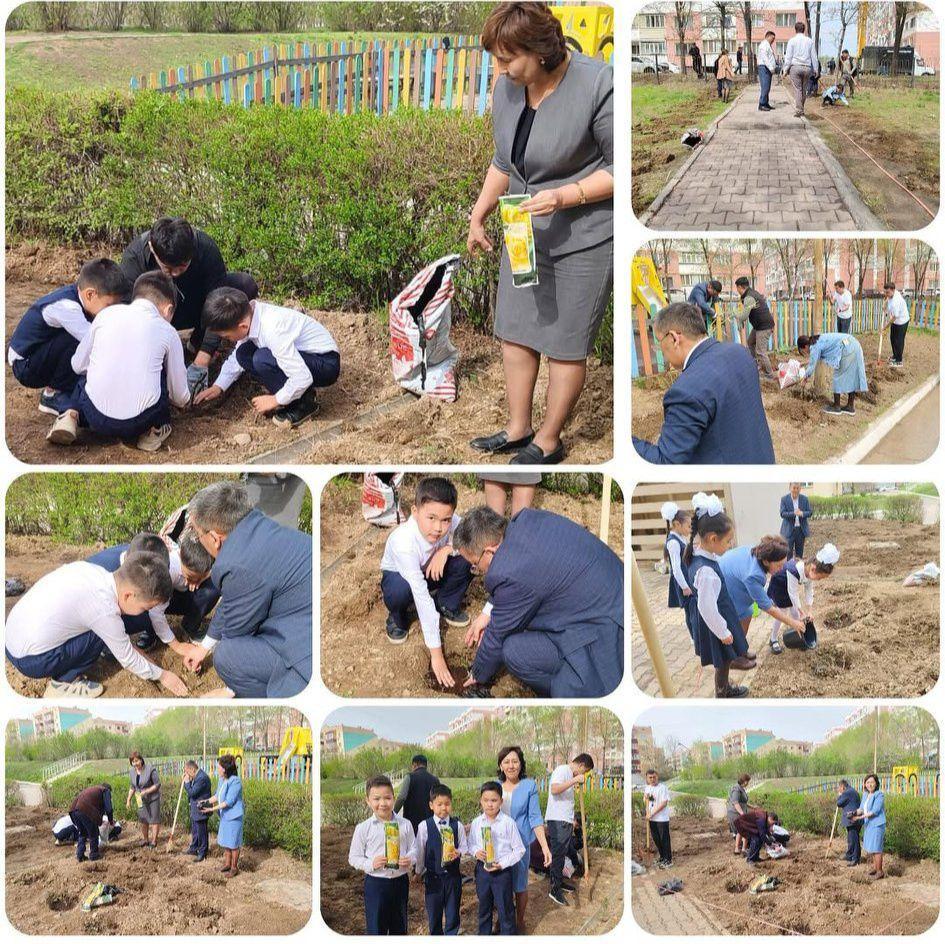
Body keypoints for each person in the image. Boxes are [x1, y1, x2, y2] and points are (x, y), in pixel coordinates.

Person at [467, 2, 614, 465]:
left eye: (508, 59)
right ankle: (518, 428)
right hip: (522, 228)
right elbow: (504, 162)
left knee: (566, 343)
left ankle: (548, 440)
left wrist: (565, 196)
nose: (500, 69)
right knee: (516, 331)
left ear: (541, 50)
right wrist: (479, 213)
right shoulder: (508, 89)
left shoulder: (599, 84)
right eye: (495, 58)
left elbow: (618, 168)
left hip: (585, 235)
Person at [454, 507, 623, 697]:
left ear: (489, 550)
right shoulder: (525, 520)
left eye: (475, 564)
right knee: (516, 645)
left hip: (605, 630)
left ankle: (565, 690)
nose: (476, 569)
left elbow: (496, 636)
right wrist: (487, 614)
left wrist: (478, 673)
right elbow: (522, 573)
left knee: (523, 658)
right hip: (606, 594)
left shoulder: (509, 571)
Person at [182, 481, 312, 698]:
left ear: (214, 538)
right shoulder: (258, 526)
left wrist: (230, 690)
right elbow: (233, 601)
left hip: (305, 655)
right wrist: (204, 647)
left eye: (197, 535)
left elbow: (236, 634)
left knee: (227, 656)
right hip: (303, 617)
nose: (198, 541)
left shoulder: (234, 564)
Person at [4, 553, 187, 698]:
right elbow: (128, 659)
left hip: (10, 637)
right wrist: (163, 675)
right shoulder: (104, 608)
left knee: (100, 629)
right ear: (128, 596)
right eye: (146, 607)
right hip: (30, 660)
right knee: (98, 634)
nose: (145, 612)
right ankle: (64, 683)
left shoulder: (94, 571)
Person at [46, 271, 190, 452]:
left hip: (94, 416)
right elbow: (180, 397)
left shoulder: (106, 315)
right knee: (160, 375)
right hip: (139, 423)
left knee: (85, 375)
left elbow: (77, 365)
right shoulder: (168, 331)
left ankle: (70, 415)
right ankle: (154, 431)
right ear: (169, 309)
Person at [119, 216, 259, 393]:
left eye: (183, 266)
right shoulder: (134, 258)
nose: (176, 274)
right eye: (168, 269)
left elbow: (218, 300)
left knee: (243, 285)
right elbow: (128, 313)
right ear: (153, 249)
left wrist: (203, 359)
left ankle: (198, 342)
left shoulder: (206, 248)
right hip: (158, 315)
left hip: (196, 307)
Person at [632, 302, 776, 464]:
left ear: (674, 338)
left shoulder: (686, 391)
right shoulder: (740, 352)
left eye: (659, 343)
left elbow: (666, 461)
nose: (661, 351)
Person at [193, 287, 340, 428]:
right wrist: (219, 386)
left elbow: (302, 377)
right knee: (243, 354)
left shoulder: (272, 329)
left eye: (227, 336)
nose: (228, 340)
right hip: (304, 358)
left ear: (242, 326)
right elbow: (237, 357)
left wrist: (275, 400)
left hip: (325, 362)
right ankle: (295, 396)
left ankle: (304, 404)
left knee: (262, 358)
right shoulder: (250, 316)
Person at [379, 477, 473, 686]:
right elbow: (420, 595)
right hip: (402, 577)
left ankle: (446, 603)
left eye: (445, 520)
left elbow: (470, 539)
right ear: (415, 511)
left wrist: (447, 550)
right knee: (400, 590)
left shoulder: (452, 523)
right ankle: (398, 617)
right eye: (431, 518)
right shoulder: (403, 541)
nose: (439, 527)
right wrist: (437, 656)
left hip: (429, 571)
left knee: (465, 557)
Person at [7, 259, 130, 417]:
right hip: (26, 365)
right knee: (84, 340)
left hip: (42, 352)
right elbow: (97, 340)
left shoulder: (84, 301)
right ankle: (53, 394)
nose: (113, 311)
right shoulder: (67, 307)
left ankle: (68, 385)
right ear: (90, 294)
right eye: (109, 306)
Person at [85, 533, 210, 661]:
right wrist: (176, 647)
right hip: (86, 621)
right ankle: (105, 644)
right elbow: (154, 614)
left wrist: (201, 578)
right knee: (144, 615)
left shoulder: (139, 552)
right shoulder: (106, 580)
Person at [684, 493, 751, 698]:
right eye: (728, 541)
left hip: (719, 616)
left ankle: (724, 687)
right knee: (723, 660)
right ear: (713, 539)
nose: (730, 545)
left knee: (726, 658)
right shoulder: (706, 572)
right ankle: (723, 692)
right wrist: (723, 632)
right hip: (715, 622)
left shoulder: (700, 553)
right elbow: (707, 608)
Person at [348, 774, 417, 935]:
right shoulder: (363, 828)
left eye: (387, 798)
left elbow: (414, 849)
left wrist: (409, 859)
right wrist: (371, 863)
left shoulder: (405, 824)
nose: (382, 803)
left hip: (400, 882)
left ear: (394, 798)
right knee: (376, 927)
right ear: (368, 801)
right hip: (376, 884)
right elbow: (354, 857)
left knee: (399, 927)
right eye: (376, 799)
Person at [496, 746, 552, 931]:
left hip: (521, 844)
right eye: (506, 762)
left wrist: (544, 847)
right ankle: (502, 918)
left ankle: (519, 920)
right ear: (501, 766)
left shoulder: (529, 786)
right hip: (499, 846)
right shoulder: (494, 786)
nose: (511, 766)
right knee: (500, 884)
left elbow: (535, 818)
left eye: (515, 761)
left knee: (520, 885)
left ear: (521, 764)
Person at [720, 535, 806, 642]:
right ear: (766, 561)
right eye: (779, 565)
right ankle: (734, 653)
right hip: (725, 592)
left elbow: (761, 591)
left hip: (732, 581)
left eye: (783, 565)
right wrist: (793, 623)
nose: (781, 569)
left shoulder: (758, 552)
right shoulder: (753, 575)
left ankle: (741, 648)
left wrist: (770, 599)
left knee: (747, 612)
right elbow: (768, 608)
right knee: (732, 627)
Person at [468, 780, 525, 932]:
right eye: (486, 800)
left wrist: (502, 864)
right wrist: (476, 852)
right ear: (481, 801)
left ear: (501, 801)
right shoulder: (476, 823)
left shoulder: (508, 823)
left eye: (494, 800)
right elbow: (471, 844)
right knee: (484, 908)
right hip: (482, 871)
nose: (490, 804)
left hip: (502, 873)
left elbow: (519, 850)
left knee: (505, 909)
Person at [413, 783, 468, 936]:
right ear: (431, 805)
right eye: (439, 804)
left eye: (447, 804)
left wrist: (459, 852)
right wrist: (418, 872)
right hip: (433, 878)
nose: (444, 808)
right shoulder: (424, 826)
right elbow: (420, 851)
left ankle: (451, 934)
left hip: (453, 877)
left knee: (452, 913)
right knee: (434, 914)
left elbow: (465, 847)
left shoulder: (458, 826)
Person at [766, 544, 839, 653]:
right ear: (813, 568)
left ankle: (799, 637)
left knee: (796, 613)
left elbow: (809, 590)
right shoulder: (795, 570)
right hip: (780, 586)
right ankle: (773, 639)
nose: (818, 580)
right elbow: (793, 593)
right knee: (782, 613)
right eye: (819, 578)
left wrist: (808, 611)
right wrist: (801, 611)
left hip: (789, 587)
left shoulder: (809, 571)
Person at [545, 753, 593, 906]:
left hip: (564, 820)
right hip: (557, 821)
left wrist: (571, 819)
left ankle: (559, 883)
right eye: (584, 771)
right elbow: (554, 789)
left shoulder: (568, 774)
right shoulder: (563, 770)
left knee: (562, 853)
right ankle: (554, 889)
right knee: (558, 855)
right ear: (581, 765)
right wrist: (574, 780)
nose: (583, 775)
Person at [797, 332, 868, 416]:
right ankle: (850, 406)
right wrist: (803, 364)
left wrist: (805, 378)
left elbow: (812, 365)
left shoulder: (814, 347)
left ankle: (836, 407)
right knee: (851, 376)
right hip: (853, 344)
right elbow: (814, 360)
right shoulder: (817, 340)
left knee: (837, 376)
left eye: (803, 351)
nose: (806, 353)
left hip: (847, 348)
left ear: (805, 346)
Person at [200, 754, 244, 877]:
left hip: (234, 817)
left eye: (218, 766)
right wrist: (205, 802)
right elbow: (217, 796)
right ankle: (227, 864)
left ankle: (234, 868)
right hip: (225, 816)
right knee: (226, 841)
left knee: (233, 843)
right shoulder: (222, 779)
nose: (217, 768)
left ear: (224, 769)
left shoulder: (235, 781)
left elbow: (228, 802)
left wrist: (212, 808)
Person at [734, 277, 776, 383]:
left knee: (761, 351)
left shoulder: (749, 297)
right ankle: (755, 365)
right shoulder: (751, 294)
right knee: (750, 342)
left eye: (737, 288)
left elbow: (743, 316)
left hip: (764, 326)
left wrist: (735, 312)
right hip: (760, 325)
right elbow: (745, 314)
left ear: (739, 287)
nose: (737, 290)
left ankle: (769, 375)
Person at [394, 755, 442, 836]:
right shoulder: (435, 780)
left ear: (414, 765)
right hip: (430, 823)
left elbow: (401, 797)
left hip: (412, 823)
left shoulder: (410, 777)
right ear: (426, 765)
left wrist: (393, 813)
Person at [69, 783, 115, 862]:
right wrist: (111, 820)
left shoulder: (94, 789)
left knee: (83, 833)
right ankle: (94, 855)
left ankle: (80, 855)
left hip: (73, 811)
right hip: (84, 809)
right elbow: (109, 808)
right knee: (93, 833)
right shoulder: (105, 790)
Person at [852, 774, 886, 880]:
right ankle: (875, 869)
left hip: (877, 824)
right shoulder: (865, 795)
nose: (870, 784)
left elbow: (875, 811)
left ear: (876, 783)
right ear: (865, 784)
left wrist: (859, 818)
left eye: (872, 782)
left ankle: (880, 872)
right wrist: (853, 813)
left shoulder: (879, 794)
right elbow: (861, 808)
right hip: (869, 824)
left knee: (877, 848)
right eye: (867, 782)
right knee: (871, 847)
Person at [782, 21, 819, 117]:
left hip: (795, 67)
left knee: (798, 89)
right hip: (807, 68)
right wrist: (816, 69)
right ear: (804, 30)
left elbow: (788, 57)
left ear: (795, 30)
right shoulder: (809, 41)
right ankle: (801, 108)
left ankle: (799, 110)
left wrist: (785, 70)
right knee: (804, 89)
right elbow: (814, 56)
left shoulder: (792, 41)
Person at [661, 501, 693, 611]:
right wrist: (684, 587)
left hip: (688, 577)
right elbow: (676, 569)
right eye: (688, 526)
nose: (690, 529)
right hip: (684, 581)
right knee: (690, 611)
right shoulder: (673, 542)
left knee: (692, 609)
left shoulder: (681, 537)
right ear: (677, 524)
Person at [127, 751, 161, 848]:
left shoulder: (150, 769)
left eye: (137, 761)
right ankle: (145, 839)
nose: (135, 763)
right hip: (139, 798)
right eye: (133, 762)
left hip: (153, 797)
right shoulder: (132, 771)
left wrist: (146, 791)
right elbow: (132, 786)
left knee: (154, 819)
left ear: (141, 760)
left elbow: (157, 784)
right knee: (143, 819)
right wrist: (128, 800)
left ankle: (154, 841)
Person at [183, 760, 212, 862]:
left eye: (187, 771)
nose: (186, 774)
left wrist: (187, 783)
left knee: (201, 831)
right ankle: (194, 848)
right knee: (195, 829)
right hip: (195, 808)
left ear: (192, 769)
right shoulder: (196, 776)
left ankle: (203, 852)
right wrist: (189, 781)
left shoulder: (202, 778)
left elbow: (193, 793)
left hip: (201, 809)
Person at [643, 768, 672, 869]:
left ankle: (668, 860)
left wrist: (652, 813)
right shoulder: (647, 788)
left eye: (654, 777)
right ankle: (662, 857)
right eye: (650, 777)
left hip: (661, 819)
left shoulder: (662, 788)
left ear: (657, 777)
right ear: (647, 778)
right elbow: (647, 801)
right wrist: (647, 812)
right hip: (652, 820)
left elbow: (664, 803)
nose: (652, 779)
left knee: (664, 840)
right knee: (656, 839)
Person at [779, 483, 812, 559]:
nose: (796, 490)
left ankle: (798, 570)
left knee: (799, 555)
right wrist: (793, 513)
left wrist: (802, 513)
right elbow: (782, 513)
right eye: (794, 488)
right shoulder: (784, 499)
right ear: (790, 488)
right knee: (788, 554)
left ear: (800, 489)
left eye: (798, 488)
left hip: (800, 530)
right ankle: (788, 570)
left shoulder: (804, 499)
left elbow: (810, 512)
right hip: (788, 531)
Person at [882, 281, 910, 367]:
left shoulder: (896, 302)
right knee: (892, 338)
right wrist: (885, 304)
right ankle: (895, 355)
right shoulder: (893, 293)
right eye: (885, 292)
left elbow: (894, 317)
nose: (886, 294)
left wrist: (885, 327)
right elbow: (888, 299)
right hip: (895, 321)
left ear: (893, 290)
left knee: (899, 340)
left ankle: (899, 361)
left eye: (887, 292)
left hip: (902, 321)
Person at [836, 778, 862, 867]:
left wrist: (840, 795)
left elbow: (839, 803)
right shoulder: (852, 791)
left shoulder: (847, 792)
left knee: (854, 839)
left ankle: (855, 859)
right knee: (851, 839)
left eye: (839, 788)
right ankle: (849, 855)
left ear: (842, 786)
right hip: (854, 819)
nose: (838, 789)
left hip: (853, 819)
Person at [727, 775, 753, 854]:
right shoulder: (736, 789)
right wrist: (742, 814)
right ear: (744, 781)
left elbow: (743, 802)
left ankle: (737, 849)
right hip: (735, 813)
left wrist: (752, 807)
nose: (748, 783)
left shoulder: (741, 788)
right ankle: (743, 849)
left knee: (740, 830)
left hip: (739, 812)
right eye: (748, 781)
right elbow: (735, 803)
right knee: (744, 829)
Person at [757, 30, 777, 111]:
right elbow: (765, 58)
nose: (773, 40)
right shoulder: (764, 45)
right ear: (768, 36)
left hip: (767, 68)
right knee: (765, 86)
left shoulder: (767, 45)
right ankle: (761, 104)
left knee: (767, 87)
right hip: (764, 68)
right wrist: (771, 68)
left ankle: (766, 103)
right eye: (772, 38)